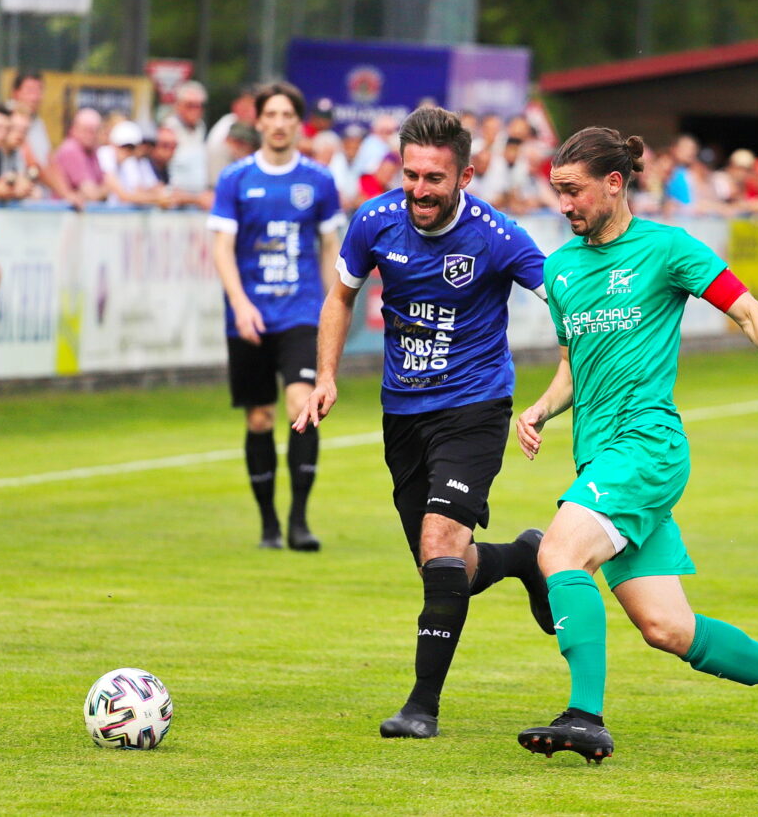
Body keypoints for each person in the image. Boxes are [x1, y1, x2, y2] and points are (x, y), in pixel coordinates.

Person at [514, 126, 758, 767]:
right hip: (600, 455)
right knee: (668, 628)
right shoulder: (559, 269)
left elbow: (746, 308)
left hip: (646, 446)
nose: (563, 207)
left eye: (573, 192)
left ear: (615, 183)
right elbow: (572, 365)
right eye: (556, 193)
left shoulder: (667, 249)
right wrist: (540, 407)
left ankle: (584, 715)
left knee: (558, 552)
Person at [294, 106, 554, 740]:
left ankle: (421, 707)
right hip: (402, 412)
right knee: (445, 566)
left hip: (474, 407)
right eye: (410, 175)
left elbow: (564, 301)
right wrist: (323, 376)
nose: (418, 190)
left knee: (440, 545)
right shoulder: (376, 222)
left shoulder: (498, 236)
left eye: (433, 178)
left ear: (464, 175)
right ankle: (523, 556)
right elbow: (341, 296)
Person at [208, 82, 344, 552]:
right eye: (273, 115)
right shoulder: (236, 178)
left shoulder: (319, 181)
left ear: (297, 123)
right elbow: (222, 248)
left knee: (300, 408)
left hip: (302, 312)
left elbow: (330, 247)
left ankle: (299, 522)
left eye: (289, 115)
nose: (281, 123)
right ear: (259, 121)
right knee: (260, 417)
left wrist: (333, 305)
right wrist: (240, 304)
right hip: (249, 317)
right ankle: (268, 525)